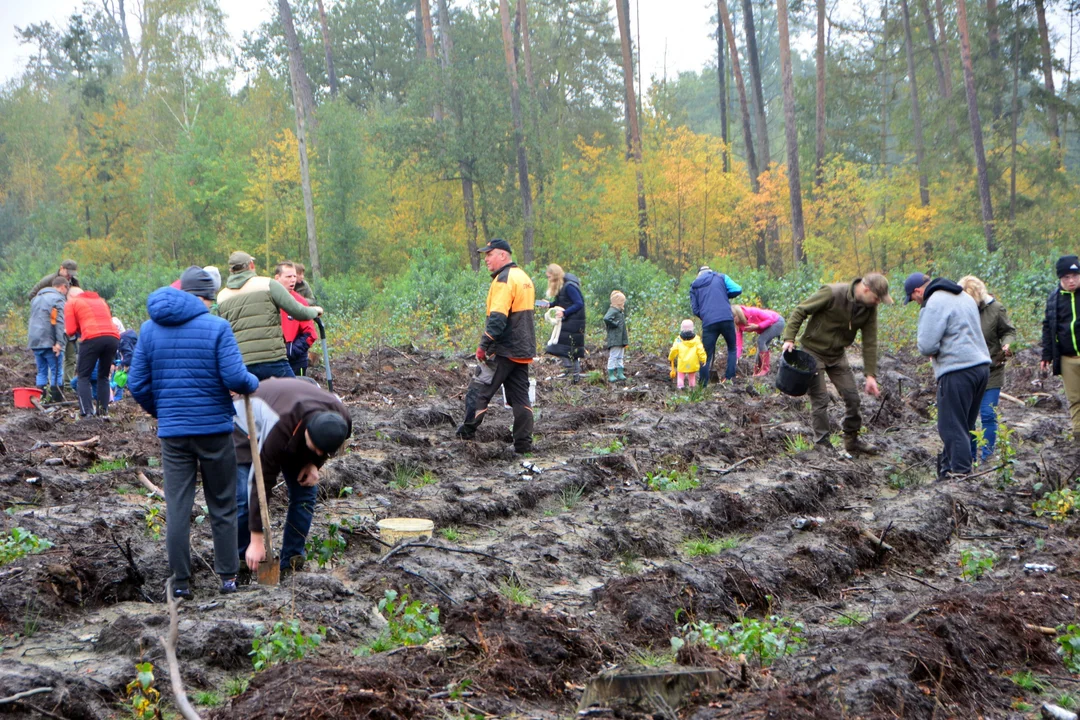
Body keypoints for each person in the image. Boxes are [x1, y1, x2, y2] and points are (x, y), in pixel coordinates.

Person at [128, 267, 259, 599]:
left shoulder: (148, 329)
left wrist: (164, 412)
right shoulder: (217, 327)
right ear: (206, 298)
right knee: (223, 504)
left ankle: (182, 582)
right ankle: (228, 577)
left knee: (177, 507)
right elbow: (235, 377)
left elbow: (137, 384)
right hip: (215, 430)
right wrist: (252, 383)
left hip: (174, 435)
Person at [233, 378, 351, 575]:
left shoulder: (342, 420)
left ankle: (291, 564)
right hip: (245, 425)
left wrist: (314, 463)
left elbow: (322, 449)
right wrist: (257, 539)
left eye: (325, 452)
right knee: (245, 499)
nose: (321, 453)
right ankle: (241, 563)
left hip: (290, 422)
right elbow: (260, 480)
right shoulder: (279, 426)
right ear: (306, 432)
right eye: (316, 449)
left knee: (305, 492)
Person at [781, 274, 892, 454]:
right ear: (866, 290)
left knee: (852, 398)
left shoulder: (869, 308)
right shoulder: (832, 293)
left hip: (838, 355)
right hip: (813, 351)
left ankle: (852, 440)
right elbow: (801, 310)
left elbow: (870, 340)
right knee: (820, 398)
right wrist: (789, 339)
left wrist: (870, 374)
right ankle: (822, 444)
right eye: (877, 298)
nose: (878, 302)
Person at [456, 238, 537, 454]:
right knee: (521, 398)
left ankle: (466, 434)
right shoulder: (524, 277)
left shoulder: (504, 279)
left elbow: (498, 318)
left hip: (503, 349)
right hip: (522, 350)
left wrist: (484, 345)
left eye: (489, 255)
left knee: (479, 390)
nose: (486, 260)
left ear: (502, 255)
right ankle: (523, 445)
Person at [907, 272, 991, 478]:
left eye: (913, 299)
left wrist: (934, 349)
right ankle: (946, 472)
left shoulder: (934, 302)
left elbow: (926, 345)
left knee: (951, 427)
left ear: (918, 291)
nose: (916, 302)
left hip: (957, 370)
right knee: (964, 425)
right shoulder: (964, 297)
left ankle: (960, 477)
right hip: (981, 368)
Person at [216, 252, 324, 380]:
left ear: (231, 270)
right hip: (273, 360)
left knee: (251, 398)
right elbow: (299, 313)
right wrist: (315, 310)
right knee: (292, 395)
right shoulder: (267, 284)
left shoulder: (221, 297)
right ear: (251, 265)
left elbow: (223, 334)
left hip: (243, 365)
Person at [959, 275, 1016, 461]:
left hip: (992, 368)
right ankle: (970, 459)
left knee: (988, 414)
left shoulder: (995, 309)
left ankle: (987, 459)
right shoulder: (958, 309)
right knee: (968, 418)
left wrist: (1007, 345)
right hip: (967, 371)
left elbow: (1008, 331)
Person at [1041, 255, 1080, 444]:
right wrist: (1046, 354)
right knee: (1074, 398)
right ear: (1060, 279)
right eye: (1066, 277)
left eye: (1075, 275)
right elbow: (1048, 326)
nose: (1071, 281)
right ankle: (1078, 436)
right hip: (1067, 357)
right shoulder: (1054, 299)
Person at [65, 286, 121, 419]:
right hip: (113, 338)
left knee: (83, 377)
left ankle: (87, 413)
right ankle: (103, 412)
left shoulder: (72, 302)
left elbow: (70, 330)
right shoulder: (101, 300)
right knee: (103, 376)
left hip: (92, 337)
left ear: (70, 296)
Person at [29, 260, 80, 385]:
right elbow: (31, 296)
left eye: (72, 274)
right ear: (61, 268)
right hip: (52, 323)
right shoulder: (48, 280)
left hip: (68, 321)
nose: (70, 277)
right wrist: (47, 311)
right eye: (68, 273)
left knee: (70, 356)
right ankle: (55, 391)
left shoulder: (73, 281)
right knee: (55, 362)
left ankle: (66, 385)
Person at [689, 266, 742, 385]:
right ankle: (729, 379)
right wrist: (724, 295)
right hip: (726, 318)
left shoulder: (694, 286)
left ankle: (703, 385)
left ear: (699, 275)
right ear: (710, 271)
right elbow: (738, 289)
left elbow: (695, 309)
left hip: (709, 322)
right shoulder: (721, 277)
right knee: (732, 348)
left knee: (705, 355)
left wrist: (706, 315)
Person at [28, 276, 69, 402]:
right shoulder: (58, 299)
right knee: (56, 372)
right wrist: (59, 343)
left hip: (34, 341)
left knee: (41, 372)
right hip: (50, 341)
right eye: (66, 290)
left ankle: (42, 400)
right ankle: (56, 401)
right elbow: (59, 322)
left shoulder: (36, 299)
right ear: (63, 287)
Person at [273, 262, 317, 377]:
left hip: (295, 361)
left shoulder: (300, 301)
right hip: (271, 359)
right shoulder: (266, 300)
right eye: (288, 277)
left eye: (294, 276)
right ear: (277, 278)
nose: (293, 280)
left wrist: (291, 350)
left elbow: (310, 334)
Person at [544, 264, 586, 380]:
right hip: (568, 321)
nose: (549, 280)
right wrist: (549, 305)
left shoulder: (569, 286)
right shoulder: (562, 286)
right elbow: (561, 301)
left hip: (574, 322)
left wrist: (565, 313)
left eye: (549, 277)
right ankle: (572, 374)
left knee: (561, 348)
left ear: (555, 275)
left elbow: (579, 303)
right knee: (570, 349)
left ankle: (572, 372)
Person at [733, 304, 785, 376]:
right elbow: (738, 345)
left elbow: (770, 319)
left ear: (739, 314)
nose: (733, 320)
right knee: (760, 347)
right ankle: (757, 371)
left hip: (777, 322)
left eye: (734, 317)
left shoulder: (752, 312)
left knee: (761, 341)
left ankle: (765, 368)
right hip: (767, 327)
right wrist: (735, 358)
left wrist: (758, 326)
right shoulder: (739, 325)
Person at [669, 319, 707, 390]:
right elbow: (701, 350)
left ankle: (680, 388)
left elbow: (674, 349)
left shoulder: (679, 339)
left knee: (680, 376)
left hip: (682, 363)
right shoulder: (696, 339)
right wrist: (703, 359)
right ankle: (692, 388)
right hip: (693, 363)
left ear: (681, 328)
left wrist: (671, 357)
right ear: (692, 329)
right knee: (692, 376)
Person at [604, 291, 629, 383]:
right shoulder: (613, 310)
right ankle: (611, 374)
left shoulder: (619, 312)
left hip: (621, 339)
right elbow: (606, 318)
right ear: (618, 302)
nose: (623, 303)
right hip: (615, 339)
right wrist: (614, 324)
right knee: (613, 356)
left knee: (620, 356)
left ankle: (620, 373)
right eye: (622, 302)